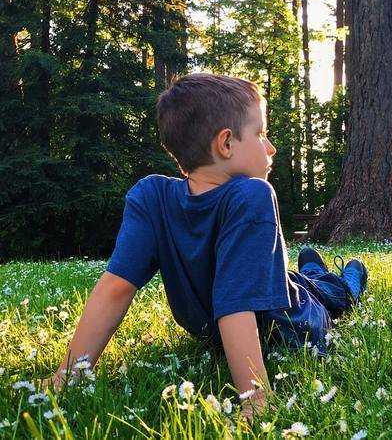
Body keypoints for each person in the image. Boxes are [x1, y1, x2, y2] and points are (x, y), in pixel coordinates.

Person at [46, 73, 368, 418]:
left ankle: (342, 279)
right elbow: (124, 287)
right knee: (314, 290)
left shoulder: (151, 196)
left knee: (324, 293)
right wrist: (256, 398)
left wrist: (69, 375)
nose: (271, 147)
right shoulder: (249, 194)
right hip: (289, 326)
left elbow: (114, 287)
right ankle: (326, 276)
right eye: (261, 134)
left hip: (290, 312)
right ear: (225, 143)